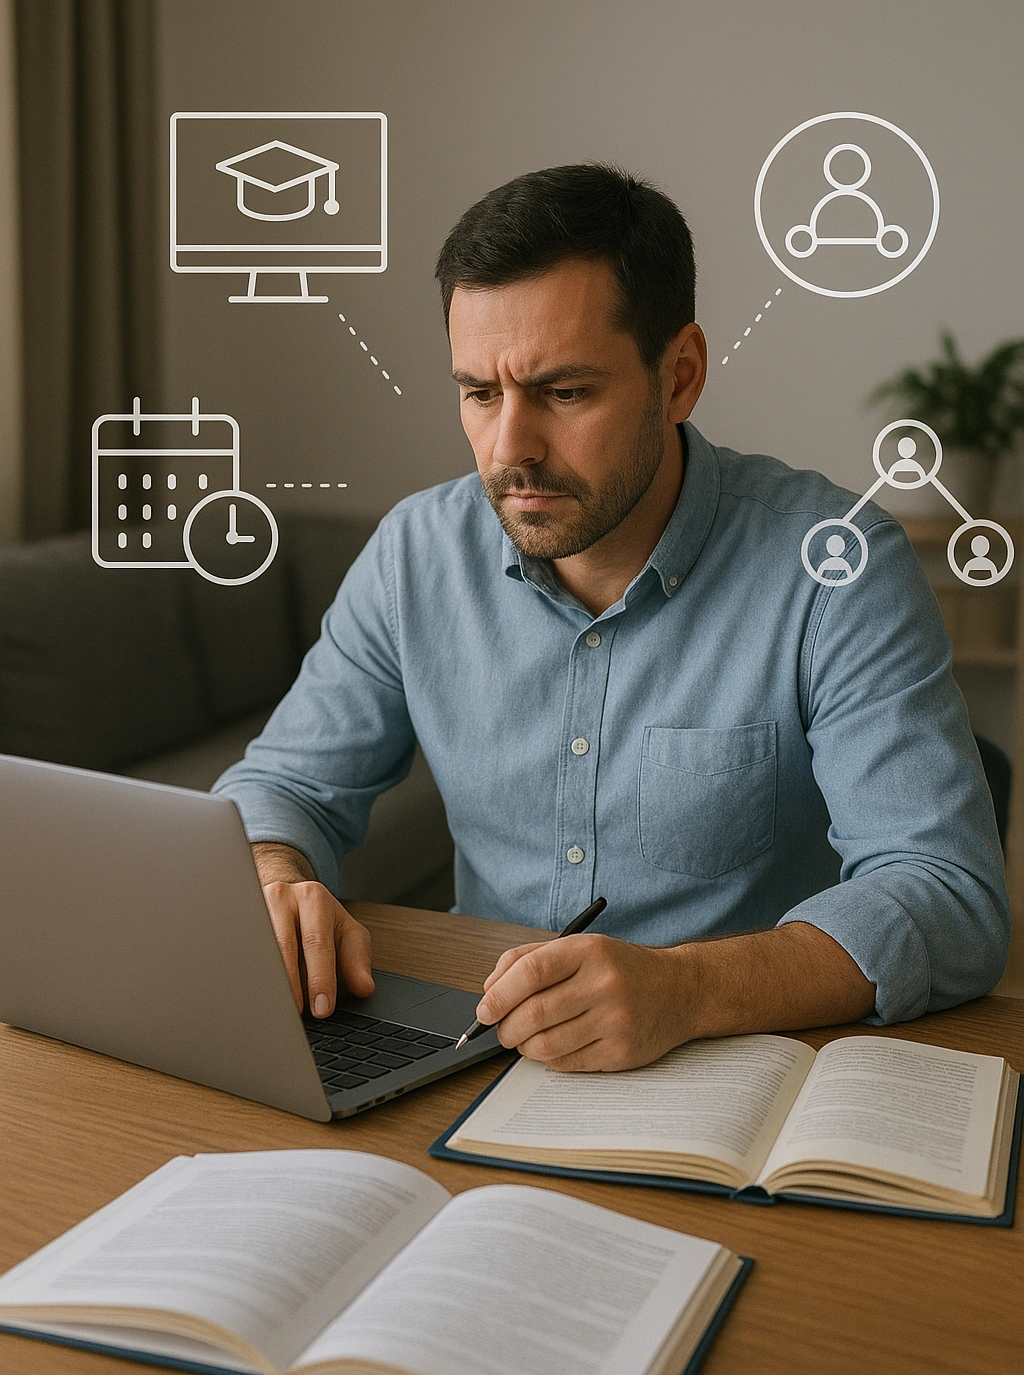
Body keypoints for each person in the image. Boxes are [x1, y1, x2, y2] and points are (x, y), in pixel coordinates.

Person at [213, 163, 1010, 1073]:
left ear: (680, 376)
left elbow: (950, 895)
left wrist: (689, 987)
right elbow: (284, 787)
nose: (509, 448)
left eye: (563, 392)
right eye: (479, 393)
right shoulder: (414, 555)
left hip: (738, 1069)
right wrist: (278, 877)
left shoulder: (834, 568)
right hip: (478, 1054)